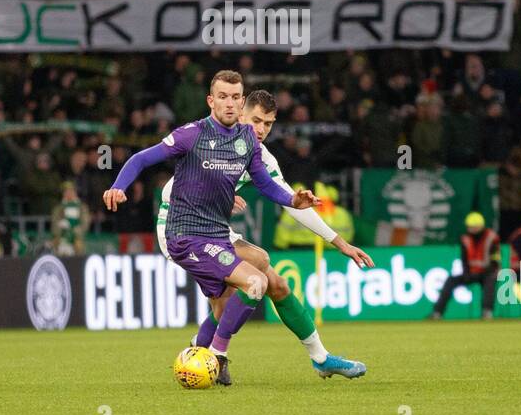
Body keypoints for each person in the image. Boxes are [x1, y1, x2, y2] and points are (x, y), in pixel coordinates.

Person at [104, 70, 318, 386]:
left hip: (215, 236)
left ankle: (197, 353)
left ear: (242, 102)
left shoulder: (248, 142)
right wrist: (118, 186)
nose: (229, 103)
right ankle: (216, 357)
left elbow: (265, 183)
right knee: (256, 281)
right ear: (211, 100)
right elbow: (141, 158)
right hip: (186, 235)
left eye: (235, 97)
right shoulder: (192, 134)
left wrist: (293, 200)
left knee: (227, 301)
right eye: (222, 97)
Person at [156, 89, 372, 379]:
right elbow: (171, 187)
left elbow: (291, 202)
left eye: (268, 124)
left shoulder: (261, 156)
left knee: (276, 285)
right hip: (180, 225)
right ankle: (212, 353)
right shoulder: (209, 137)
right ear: (240, 113)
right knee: (257, 264)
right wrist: (210, 192)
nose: (261, 129)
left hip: (215, 227)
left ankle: (319, 358)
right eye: (256, 120)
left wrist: (340, 243)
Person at [431, 212, 500, 320]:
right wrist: (466, 272)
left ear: (481, 226)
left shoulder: (491, 237)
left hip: (487, 272)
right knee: (451, 280)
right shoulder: (465, 238)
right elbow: (464, 259)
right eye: (471, 227)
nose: (473, 229)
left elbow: (495, 259)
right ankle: (437, 313)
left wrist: (489, 271)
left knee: (490, 282)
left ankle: (487, 312)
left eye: (475, 226)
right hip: (471, 272)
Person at [49, 180, 89, 256]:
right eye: (66, 191)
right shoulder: (58, 208)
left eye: (71, 191)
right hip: (61, 237)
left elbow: (85, 224)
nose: (69, 193)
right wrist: (61, 229)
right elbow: (54, 224)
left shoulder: (82, 208)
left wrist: (74, 233)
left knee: (78, 245)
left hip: (77, 238)